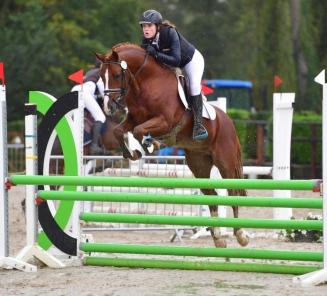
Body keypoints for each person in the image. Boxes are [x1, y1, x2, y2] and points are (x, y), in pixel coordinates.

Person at [139, 9, 208, 141]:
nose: (146, 29)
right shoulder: (146, 40)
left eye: (149, 26)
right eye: (144, 26)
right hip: (172, 65)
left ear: (157, 26)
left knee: (193, 86)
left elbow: (176, 60)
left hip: (191, 61)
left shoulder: (170, 33)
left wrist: (156, 54)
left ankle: (198, 125)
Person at [71, 60, 107, 155]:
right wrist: (106, 99)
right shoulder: (101, 72)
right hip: (85, 93)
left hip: (75, 90)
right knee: (100, 117)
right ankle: (94, 146)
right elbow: (100, 86)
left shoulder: (90, 72)